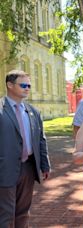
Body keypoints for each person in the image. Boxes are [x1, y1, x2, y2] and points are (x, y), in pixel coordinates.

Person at [0, 70, 51, 227]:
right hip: (5, 169)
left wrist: (45, 164)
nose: (27, 88)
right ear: (10, 85)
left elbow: (40, 140)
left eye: (29, 85)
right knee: (6, 214)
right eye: (23, 85)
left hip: (28, 168)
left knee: (23, 212)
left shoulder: (33, 112)